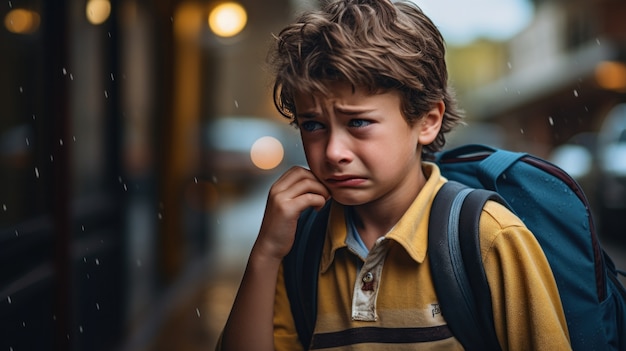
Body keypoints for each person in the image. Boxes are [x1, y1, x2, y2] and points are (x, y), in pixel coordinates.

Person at [217, 0, 571, 350]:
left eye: (358, 122)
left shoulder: (488, 238)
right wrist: (265, 253)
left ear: (428, 121)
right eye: (313, 125)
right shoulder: (301, 241)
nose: (333, 152)